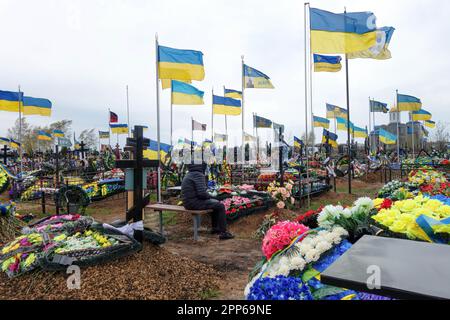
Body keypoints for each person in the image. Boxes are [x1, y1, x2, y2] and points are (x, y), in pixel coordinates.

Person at [181, 163, 234, 240]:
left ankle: (215, 228)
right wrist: (213, 197)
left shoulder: (189, 174)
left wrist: (211, 198)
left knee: (215, 203)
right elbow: (202, 194)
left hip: (188, 202)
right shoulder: (198, 175)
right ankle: (224, 232)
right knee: (220, 206)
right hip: (193, 203)